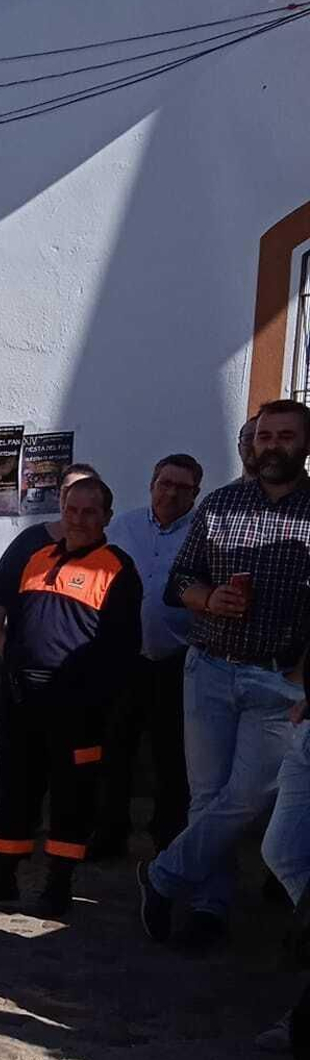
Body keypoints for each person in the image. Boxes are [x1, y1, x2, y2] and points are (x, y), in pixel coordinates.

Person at [140, 398, 310, 950]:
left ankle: (162, 875)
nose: (272, 446)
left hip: (279, 679)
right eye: (264, 436)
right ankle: (209, 908)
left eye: (285, 436)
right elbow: (180, 580)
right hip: (209, 668)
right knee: (207, 795)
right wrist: (208, 597)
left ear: (305, 444)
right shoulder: (220, 504)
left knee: (249, 796)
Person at [0, 476, 141, 919]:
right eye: (71, 510)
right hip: (22, 698)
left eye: (89, 512)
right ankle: (0, 876)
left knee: (72, 798)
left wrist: (94, 701)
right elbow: (8, 609)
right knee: (15, 789)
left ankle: (58, 887)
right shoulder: (37, 557)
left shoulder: (117, 569)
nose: (78, 519)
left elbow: (122, 650)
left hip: (77, 709)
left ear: (106, 517)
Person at [96, 453, 204, 857]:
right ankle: (110, 832)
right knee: (115, 747)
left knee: (172, 754)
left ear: (196, 493)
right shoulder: (122, 527)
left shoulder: (203, 533)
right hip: (126, 658)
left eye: (181, 487)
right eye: (165, 484)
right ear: (151, 485)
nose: (171, 493)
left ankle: (167, 837)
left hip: (178, 660)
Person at [0, 462, 104, 655]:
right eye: (68, 491)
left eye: (84, 491)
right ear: (58, 495)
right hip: (26, 663)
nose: (75, 500)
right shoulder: (30, 541)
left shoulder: (110, 556)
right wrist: (1, 643)